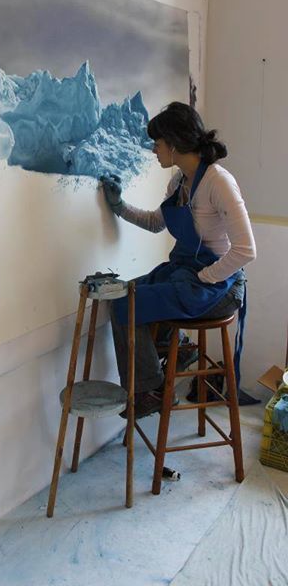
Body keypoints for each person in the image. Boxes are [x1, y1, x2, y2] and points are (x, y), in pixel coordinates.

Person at [101, 102, 256, 418]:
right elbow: (157, 222)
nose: (154, 150)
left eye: (157, 144)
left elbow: (245, 251)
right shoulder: (178, 182)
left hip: (221, 286)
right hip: (187, 274)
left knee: (131, 305)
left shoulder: (218, 182)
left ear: (173, 143)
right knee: (122, 296)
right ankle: (180, 349)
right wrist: (118, 205)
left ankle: (148, 391)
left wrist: (204, 278)